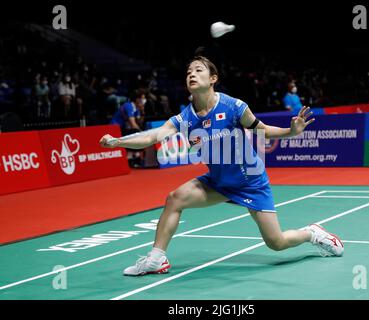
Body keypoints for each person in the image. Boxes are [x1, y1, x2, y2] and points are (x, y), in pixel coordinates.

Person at [100, 56, 343, 276]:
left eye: (198, 70)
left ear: (213, 78)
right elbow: (155, 136)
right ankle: (156, 259)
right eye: (188, 72)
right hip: (217, 182)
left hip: (250, 182)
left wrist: (291, 131)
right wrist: (117, 142)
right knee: (175, 198)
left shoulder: (233, 106)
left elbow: (262, 131)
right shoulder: (186, 117)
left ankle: (312, 233)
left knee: (276, 243)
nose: (191, 75)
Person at [111, 91, 146, 168]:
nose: (144, 100)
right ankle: (132, 157)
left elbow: (139, 122)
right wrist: (144, 133)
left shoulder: (136, 108)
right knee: (136, 132)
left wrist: (142, 111)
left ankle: (134, 157)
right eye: (142, 98)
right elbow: (133, 124)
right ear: (137, 99)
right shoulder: (128, 106)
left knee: (137, 132)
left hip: (125, 128)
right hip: (115, 129)